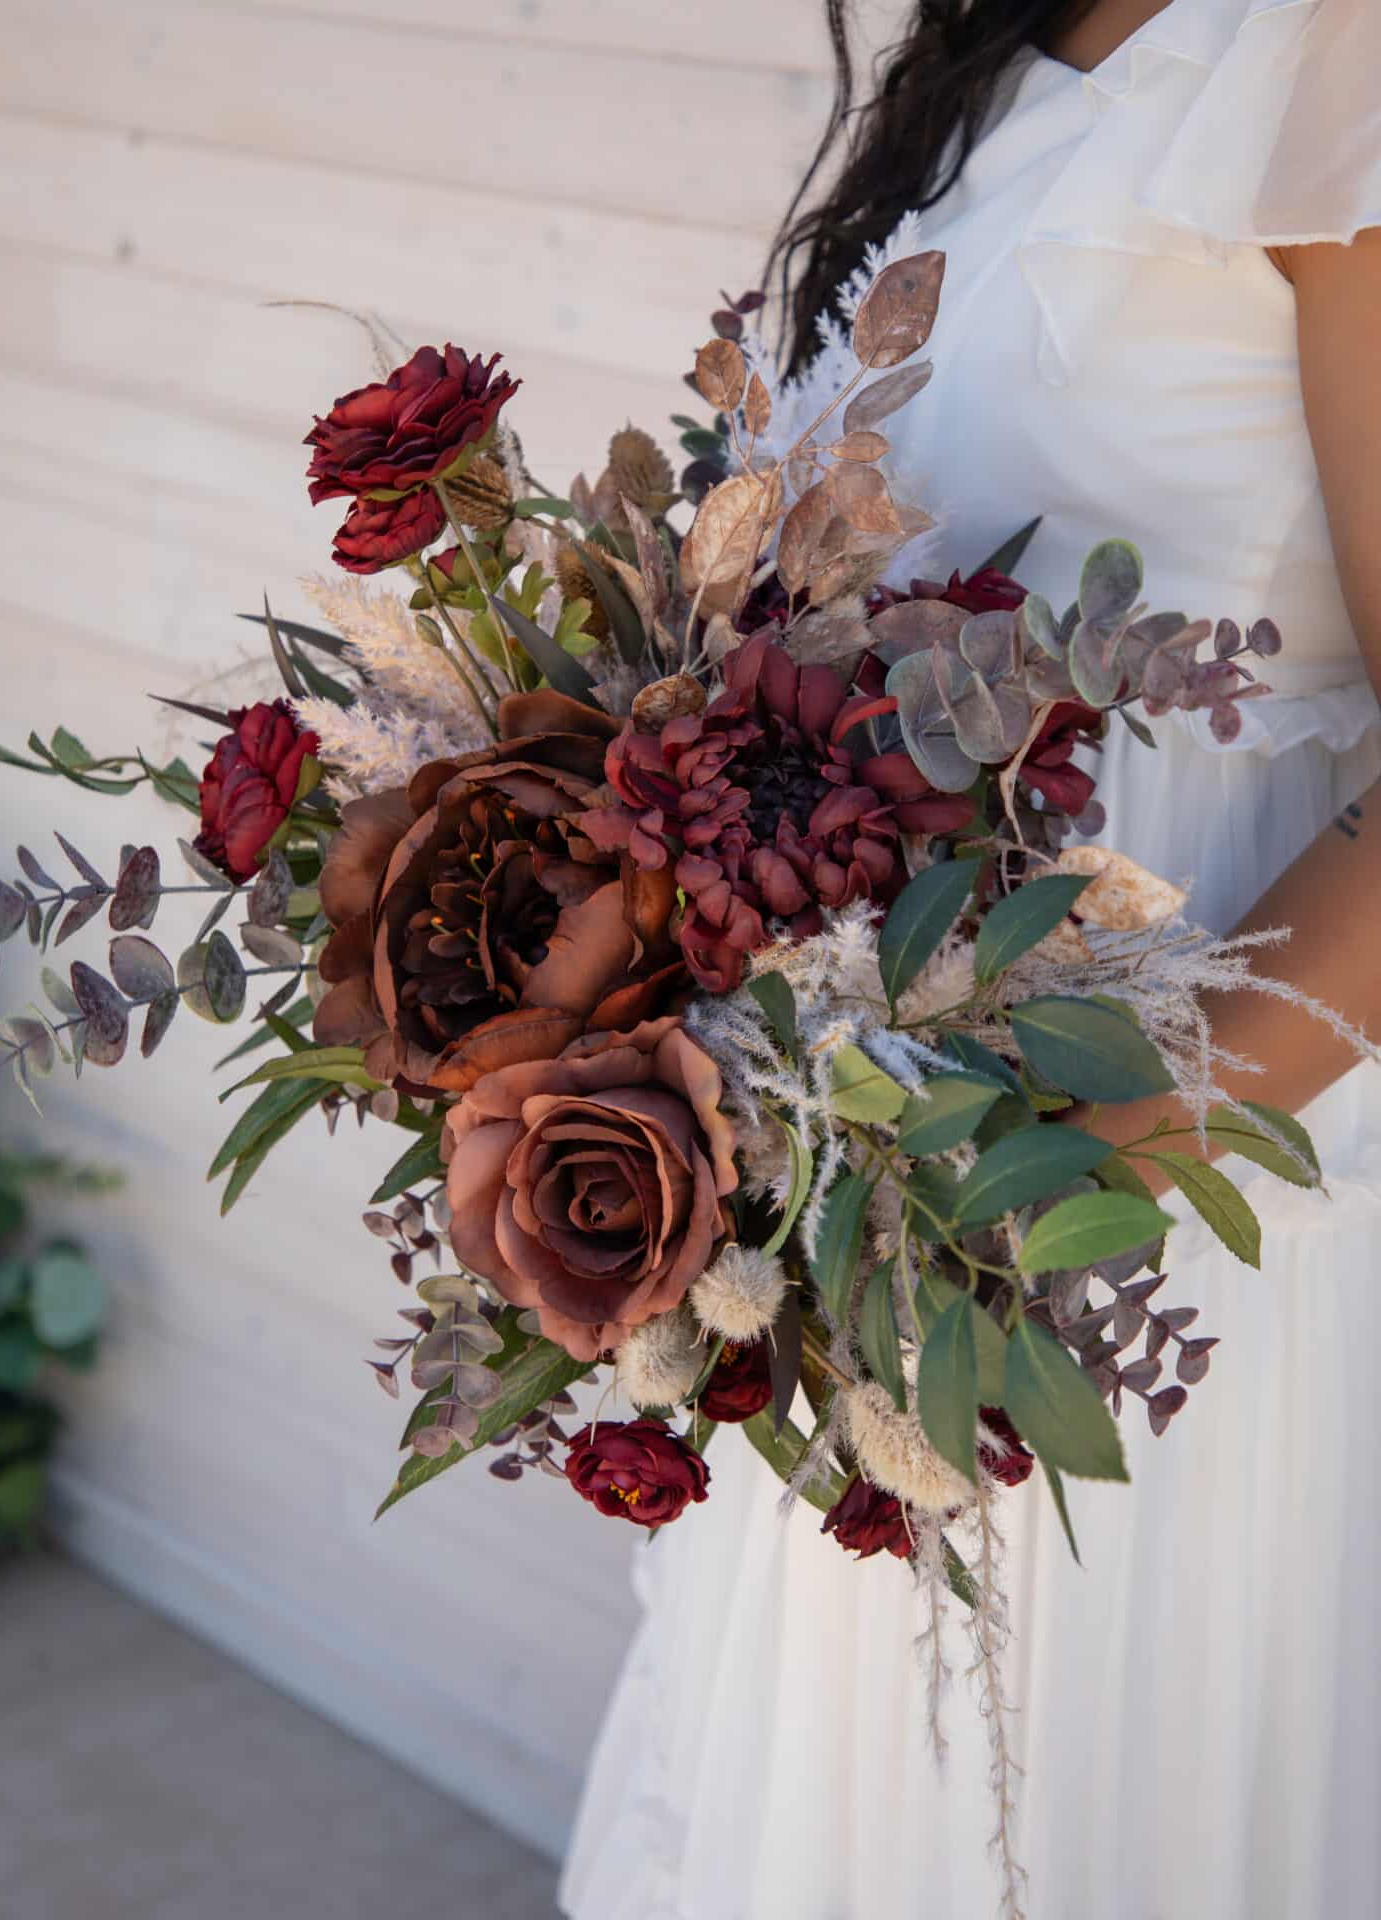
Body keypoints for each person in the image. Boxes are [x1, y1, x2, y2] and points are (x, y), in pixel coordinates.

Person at [558, 2, 1381, 1914]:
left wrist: (1034, 1208)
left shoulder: (1326, 55)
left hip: (1131, 1236)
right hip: (855, 1200)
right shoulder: (994, 59)